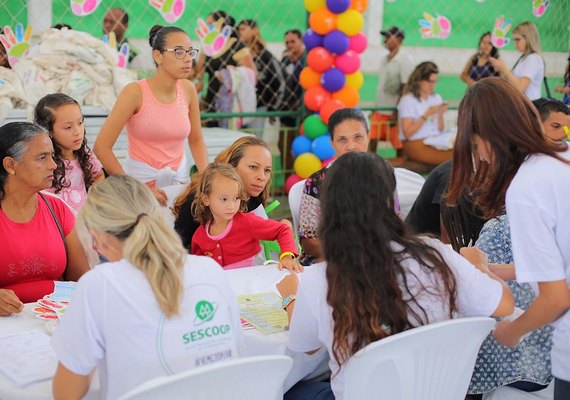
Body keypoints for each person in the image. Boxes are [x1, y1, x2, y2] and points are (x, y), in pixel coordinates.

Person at [278, 152, 514, 400]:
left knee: (286, 388)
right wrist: (480, 266)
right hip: (434, 393)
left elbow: (305, 347)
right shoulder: (436, 254)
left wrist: (289, 297)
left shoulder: (321, 278)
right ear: (390, 199)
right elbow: (505, 304)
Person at [52, 175, 243, 400]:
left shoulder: (99, 284)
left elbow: (66, 393)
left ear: (99, 238)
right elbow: (236, 356)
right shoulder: (209, 270)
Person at [446, 77, 570, 400]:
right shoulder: (561, 156)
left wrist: (512, 331)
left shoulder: (526, 188)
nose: (481, 158)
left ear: (490, 136)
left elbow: (556, 298)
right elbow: (560, 257)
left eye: (475, 146)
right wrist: (502, 271)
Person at [94, 25, 208, 206]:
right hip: (139, 190)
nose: (187, 59)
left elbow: (196, 139)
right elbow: (102, 147)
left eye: (190, 52)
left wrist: (205, 177)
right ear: (158, 56)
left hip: (179, 188)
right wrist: (135, 187)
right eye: (179, 52)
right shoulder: (134, 92)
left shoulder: (188, 89)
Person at [0, 122, 89, 313]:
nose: (53, 165)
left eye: (51, 156)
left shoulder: (57, 209)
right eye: (42, 157)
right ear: (10, 165)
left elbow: (82, 280)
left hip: (55, 322)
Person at [191, 162, 301, 271]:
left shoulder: (247, 222)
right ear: (206, 199)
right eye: (224, 199)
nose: (231, 206)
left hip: (252, 283)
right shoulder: (199, 237)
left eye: (236, 198)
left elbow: (283, 229)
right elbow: (198, 267)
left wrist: (286, 258)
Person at [297, 108, 371, 265]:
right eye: (342, 140)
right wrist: (349, 256)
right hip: (329, 259)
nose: (351, 146)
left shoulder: (381, 177)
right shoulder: (317, 182)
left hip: (372, 260)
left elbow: (392, 228)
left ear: (368, 137)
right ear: (331, 143)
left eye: (358, 137)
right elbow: (309, 242)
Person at [173, 136, 274, 249]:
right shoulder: (198, 200)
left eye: (267, 170)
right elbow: (175, 247)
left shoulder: (254, 198)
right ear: (232, 166)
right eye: (253, 167)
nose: (262, 177)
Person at [34, 93, 104, 212]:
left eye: (80, 123)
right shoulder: (42, 162)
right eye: (68, 127)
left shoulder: (84, 153)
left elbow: (98, 175)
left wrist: (94, 201)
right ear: (49, 131)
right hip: (56, 224)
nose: (78, 132)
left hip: (82, 222)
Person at [193, 10, 256, 123]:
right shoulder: (208, 47)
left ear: (222, 26)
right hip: (209, 101)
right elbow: (199, 72)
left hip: (229, 104)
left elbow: (252, 75)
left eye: (210, 24)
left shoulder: (236, 46)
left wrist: (228, 75)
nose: (207, 27)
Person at [398, 61, 452, 165]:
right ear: (419, 81)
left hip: (435, 141)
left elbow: (440, 129)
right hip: (415, 144)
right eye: (429, 82)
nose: (432, 85)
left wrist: (440, 114)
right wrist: (426, 115)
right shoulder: (408, 100)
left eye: (435, 82)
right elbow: (407, 133)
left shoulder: (436, 98)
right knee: (454, 157)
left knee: (462, 149)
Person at [238, 19, 285, 137]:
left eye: (243, 29)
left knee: (254, 141)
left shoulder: (265, 56)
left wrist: (273, 107)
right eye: (239, 29)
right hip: (239, 107)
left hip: (258, 106)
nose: (240, 32)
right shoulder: (238, 54)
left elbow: (279, 81)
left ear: (254, 30)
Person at [371, 26, 412, 151]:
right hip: (380, 109)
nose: (385, 40)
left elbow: (406, 86)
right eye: (385, 37)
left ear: (399, 39)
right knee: (372, 141)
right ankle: (370, 168)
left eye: (389, 37)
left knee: (399, 147)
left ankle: (401, 170)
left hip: (393, 111)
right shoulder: (385, 59)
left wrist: (397, 110)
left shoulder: (404, 60)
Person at [490, 21, 544, 101]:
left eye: (518, 40)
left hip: (529, 105)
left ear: (528, 38)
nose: (515, 44)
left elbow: (520, 87)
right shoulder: (524, 58)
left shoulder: (533, 59)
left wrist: (504, 70)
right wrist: (500, 69)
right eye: (514, 40)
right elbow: (513, 83)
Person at [279, 29, 305, 173]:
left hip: (302, 112)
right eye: (287, 42)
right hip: (286, 110)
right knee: (283, 145)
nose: (289, 45)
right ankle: (287, 180)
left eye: (293, 41)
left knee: (299, 148)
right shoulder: (285, 60)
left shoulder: (306, 60)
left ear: (301, 42)